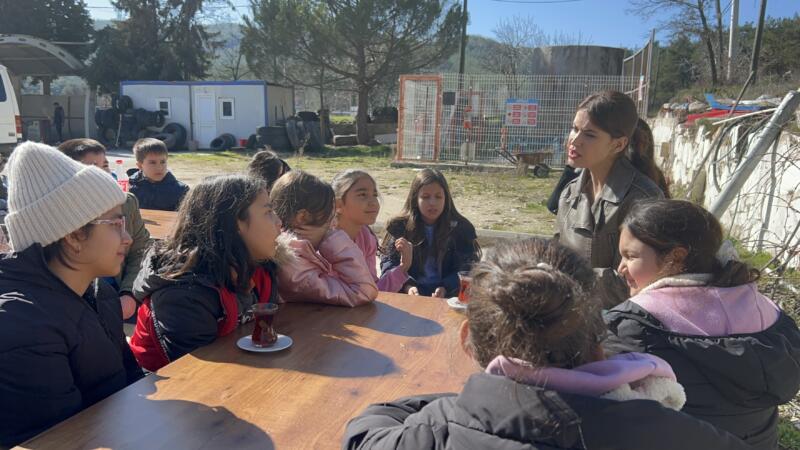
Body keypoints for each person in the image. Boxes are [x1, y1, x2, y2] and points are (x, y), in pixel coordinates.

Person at [343, 238, 751, 450]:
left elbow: (367, 428)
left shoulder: (437, 430)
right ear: (598, 335)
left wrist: (475, 400)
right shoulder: (677, 434)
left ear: (469, 341)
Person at [604, 199, 800, 450]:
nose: (620, 268)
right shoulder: (769, 314)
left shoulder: (634, 325)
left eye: (630, 256)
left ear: (676, 257)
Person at [0, 142, 143, 447]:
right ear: (74, 235)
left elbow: (131, 384)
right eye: (116, 223)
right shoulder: (21, 325)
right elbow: (55, 441)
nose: (128, 238)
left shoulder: (100, 293)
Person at [129, 175, 286, 371]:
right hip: (167, 384)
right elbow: (197, 372)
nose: (279, 222)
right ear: (235, 223)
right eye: (268, 212)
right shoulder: (184, 293)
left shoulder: (260, 268)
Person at [555, 90, 668, 307]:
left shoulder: (642, 198)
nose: (575, 141)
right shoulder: (569, 193)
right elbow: (558, 252)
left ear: (618, 144)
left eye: (590, 135)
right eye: (575, 129)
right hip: (575, 311)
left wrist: (567, 277)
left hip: (619, 318)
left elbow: (638, 280)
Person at [58, 138, 151, 319]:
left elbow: (141, 250)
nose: (103, 174)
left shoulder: (126, 202)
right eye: (92, 168)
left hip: (120, 293)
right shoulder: (60, 213)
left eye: (105, 166)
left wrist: (129, 293)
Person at [271, 170, 378, 307]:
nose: (334, 226)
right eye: (329, 221)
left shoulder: (299, 256)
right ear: (302, 218)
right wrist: (334, 239)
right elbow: (363, 291)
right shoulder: (293, 266)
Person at [381, 169, 480, 298]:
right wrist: (407, 286)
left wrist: (447, 287)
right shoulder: (399, 227)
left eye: (438, 197)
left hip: (448, 296)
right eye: (425, 197)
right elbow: (388, 264)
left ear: (446, 198)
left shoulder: (461, 228)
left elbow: (469, 268)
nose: (432, 203)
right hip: (409, 295)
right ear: (415, 198)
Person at [332, 170, 409, 293]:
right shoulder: (326, 242)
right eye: (362, 194)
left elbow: (372, 289)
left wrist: (403, 267)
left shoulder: (366, 238)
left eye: (375, 195)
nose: (373, 202)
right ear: (339, 205)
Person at [128, 138, 189, 211]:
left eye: (163, 162)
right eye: (152, 162)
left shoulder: (180, 190)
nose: (159, 167)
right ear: (140, 166)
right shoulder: (130, 186)